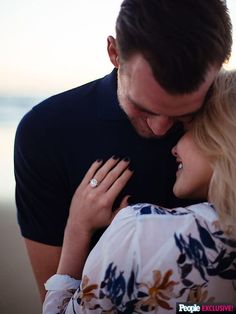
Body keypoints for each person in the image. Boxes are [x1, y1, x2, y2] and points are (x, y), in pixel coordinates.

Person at [14, 0, 232, 300]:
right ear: (115, 53)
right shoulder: (46, 132)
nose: (161, 130)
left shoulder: (229, 122)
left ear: (219, 66)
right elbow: (50, 296)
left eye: (186, 117)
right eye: (143, 108)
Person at [42, 69, 236, 313]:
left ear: (219, 136)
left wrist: (77, 228)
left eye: (186, 129)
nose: (173, 148)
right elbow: (214, 309)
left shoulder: (139, 229)